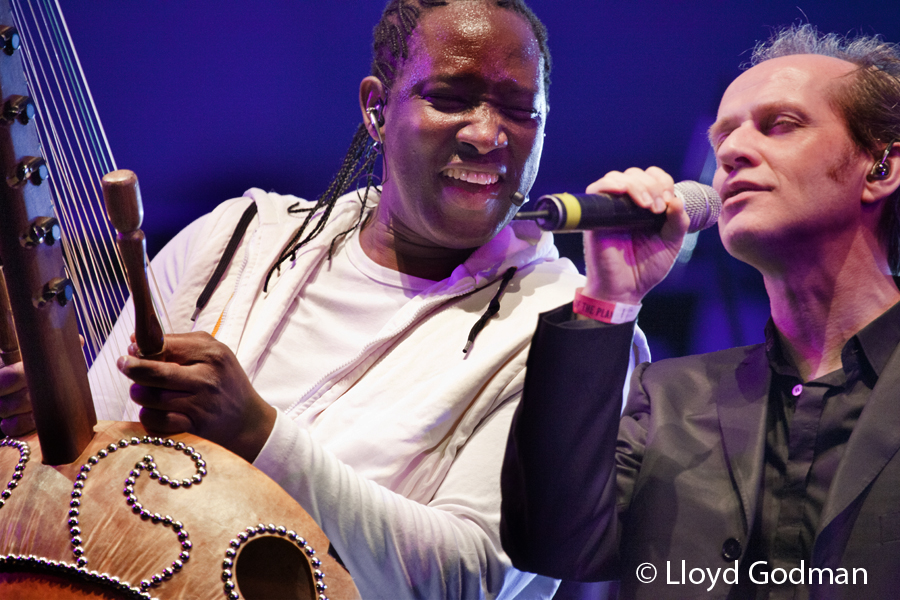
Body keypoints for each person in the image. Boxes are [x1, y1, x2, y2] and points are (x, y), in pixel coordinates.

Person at [1, 1, 650, 598]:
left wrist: (262, 436)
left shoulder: (574, 328)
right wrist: (40, 417)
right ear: (376, 109)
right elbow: (88, 474)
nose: (487, 134)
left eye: (519, 108)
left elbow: (481, 576)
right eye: (451, 98)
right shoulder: (234, 239)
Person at [501, 24, 900, 599]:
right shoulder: (668, 398)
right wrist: (610, 296)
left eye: (779, 125)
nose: (732, 151)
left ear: (881, 168)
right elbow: (549, 538)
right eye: (723, 139)